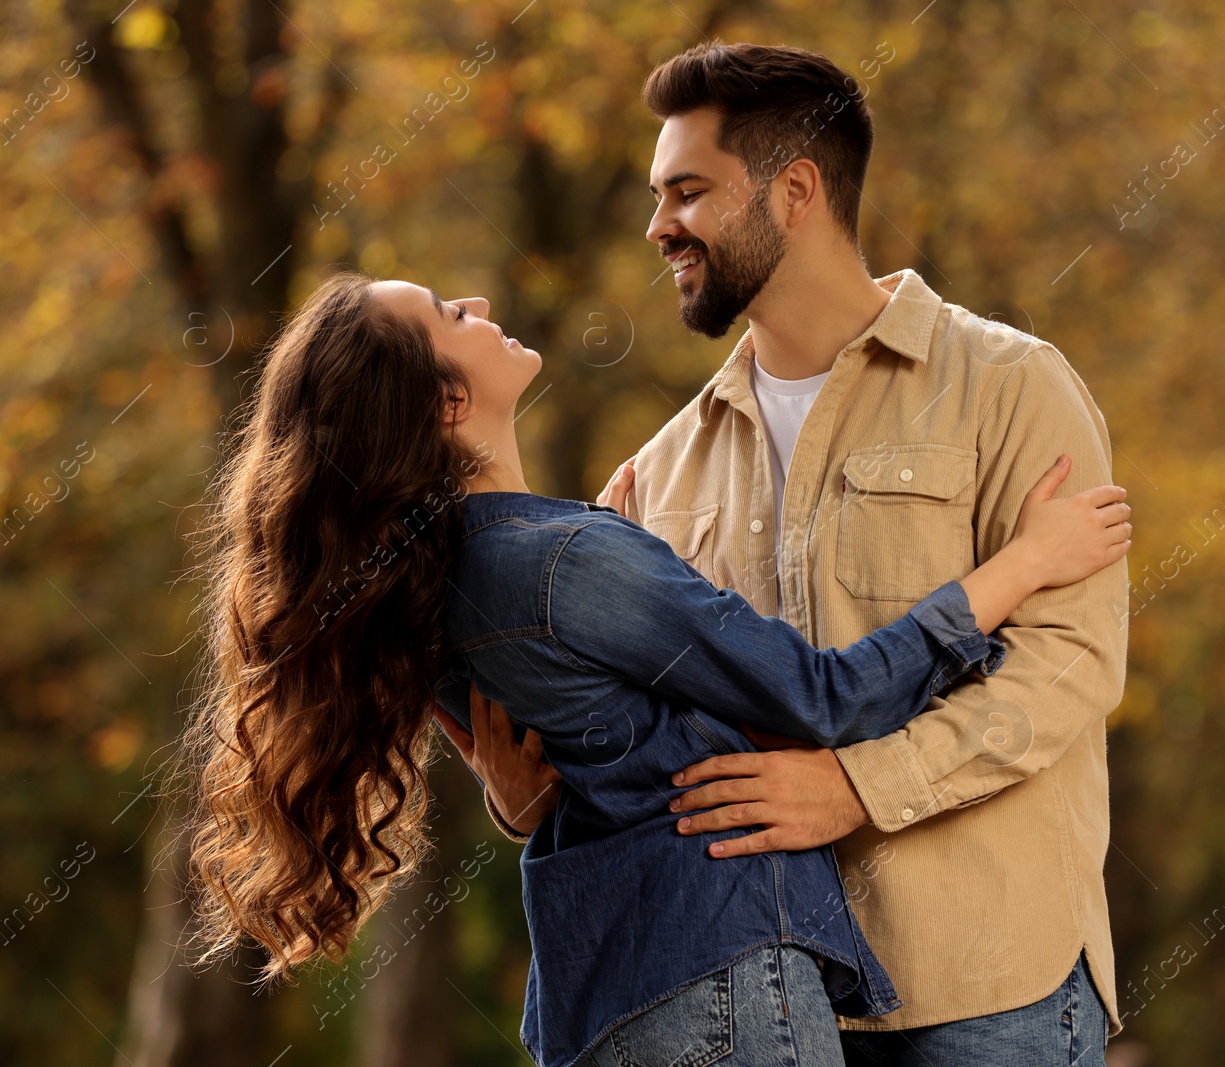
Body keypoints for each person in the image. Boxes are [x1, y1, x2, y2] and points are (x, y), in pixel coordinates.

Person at [179, 271, 1133, 1067]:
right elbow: (823, 698)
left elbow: (577, 759)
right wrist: (1022, 564)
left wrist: (531, 783)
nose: (474, 302)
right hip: (716, 970)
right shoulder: (562, 561)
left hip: (608, 989)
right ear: (447, 402)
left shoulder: (430, 579)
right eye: (450, 315)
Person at [482, 41, 1132, 1066]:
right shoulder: (662, 468)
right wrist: (522, 783)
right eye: (657, 197)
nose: (658, 227)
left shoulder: (1009, 384)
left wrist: (857, 786)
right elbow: (649, 730)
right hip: (765, 994)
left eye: (687, 192)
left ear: (795, 191)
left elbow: (1071, 665)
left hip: (987, 981)